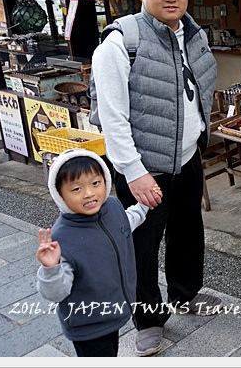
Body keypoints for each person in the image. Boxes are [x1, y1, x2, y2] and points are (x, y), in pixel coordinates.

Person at [91, 0, 219, 356]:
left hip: (187, 158)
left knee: (187, 229)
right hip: (145, 167)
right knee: (142, 246)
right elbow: (112, 118)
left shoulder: (193, 33)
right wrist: (134, 172)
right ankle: (147, 319)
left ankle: (185, 294)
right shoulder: (120, 42)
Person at [36, 149, 154, 357]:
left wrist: (144, 206)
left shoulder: (112, 207)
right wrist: (51, 268)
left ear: (105, 181)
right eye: (76, 188)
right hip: (87, 325)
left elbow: (125, 223)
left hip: (113, 312)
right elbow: (55, 293)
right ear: (60, 195)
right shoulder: (63, 239)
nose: (89, 193)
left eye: (95, 183)